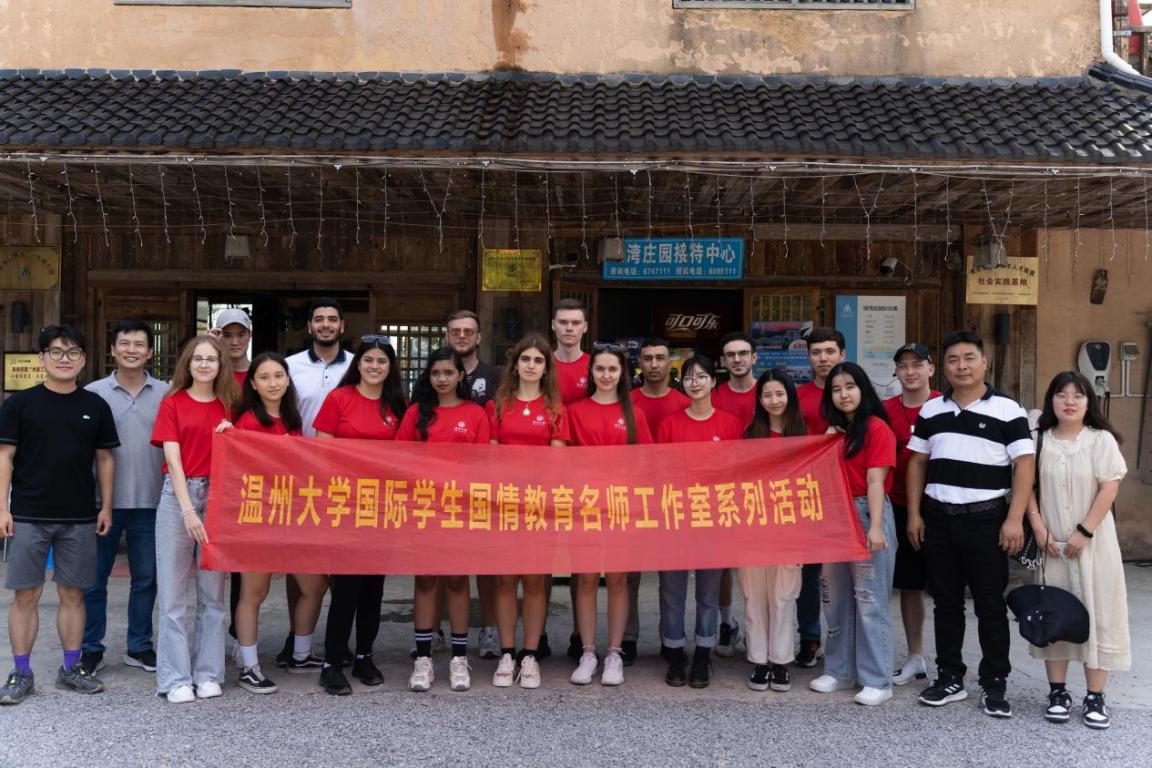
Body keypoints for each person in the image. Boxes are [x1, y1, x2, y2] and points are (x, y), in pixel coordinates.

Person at [906, 330, 1035, 718]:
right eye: (953, 360)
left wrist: (1014, 519)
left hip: (987, 520)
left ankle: (994, 683)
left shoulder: (1008, 410)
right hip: (939, 520)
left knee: (990, 605)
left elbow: (1024, 465)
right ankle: (949, 677)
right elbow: (917, 462)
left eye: (968, 358)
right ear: (943, 368)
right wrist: (914, 514)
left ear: (984, 363)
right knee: (945, 603)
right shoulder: (931, 410)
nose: (961, 366)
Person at [0, 326, 118, 706]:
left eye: (72, 352)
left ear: (83, 360)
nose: (64, 359)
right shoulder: (20, 404)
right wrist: (2, 507)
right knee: (26, 594)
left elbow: (105, 458)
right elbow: (5, 457)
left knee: (73, 592)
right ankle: (21, 672)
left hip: (79, 516)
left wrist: (106, 506)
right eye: (56, 351)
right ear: (42, 359)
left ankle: (71, 668)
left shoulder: (95, 405)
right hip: (28, 514)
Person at [1027, 371, 1129, 730]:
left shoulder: (1101, 440)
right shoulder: (1038, 439)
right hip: (1052, 545)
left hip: (1095, 545)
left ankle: (1095, 696)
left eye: (1078, 395)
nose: (1069, 401)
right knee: (1053, 613)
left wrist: (1085, 531)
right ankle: (1057, 693)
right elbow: (1026, 487)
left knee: (1099, 615)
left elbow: (1109, 487)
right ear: (1051, 400)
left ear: (1089, 402)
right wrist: (1038, 528)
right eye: (1061, 394)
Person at [228, 353, 329, 694]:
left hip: (293, 516)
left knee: (315, 585)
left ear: (288, 380)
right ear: (253, 385)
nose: (273, 383)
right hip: (258, 518)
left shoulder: (291, 417)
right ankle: (249, 666)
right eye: (265, 377)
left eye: (278, 376)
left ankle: (300, 654)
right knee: (254, 593)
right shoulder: (246, 422)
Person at [313, 335, 407, 696]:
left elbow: (408, 456)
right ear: (358, 364)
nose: (374, 367)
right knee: (346, 587)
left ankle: (365, 655)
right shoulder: (340, 398)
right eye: (368, 360)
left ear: (390, 367)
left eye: (382, 361)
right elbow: (321, 450)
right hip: (346, 505)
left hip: (384, 508)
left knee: (373, 588)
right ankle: (332, 662)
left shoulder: (397, 404)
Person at [397, 347, 490, 692]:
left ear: (460, 376)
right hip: (424, 508)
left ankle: (459, 659)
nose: (442, 379)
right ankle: (423, 659)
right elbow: (398, 459)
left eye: (448, 372)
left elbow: (485, 463)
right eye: (435, 373)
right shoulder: (416, 413)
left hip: (460, 509)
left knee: (456, 580)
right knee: (425, 580)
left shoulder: (476, 413)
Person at [150, 334, 236, 704]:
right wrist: (187, 511)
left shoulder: (229, 405)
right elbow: (173, 460)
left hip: (218, 498)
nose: (204, 364)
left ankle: (208, 673)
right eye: (197, 358)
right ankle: (175, 678)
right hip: (178, 496)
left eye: (210, 359)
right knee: (173, 595)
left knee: (213, 594)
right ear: (188, 363)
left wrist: (232, 435)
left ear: (220, 365)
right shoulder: (172, 403)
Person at [808, 362, 897, 706]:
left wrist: (874, 526)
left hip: (865, 513)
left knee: (869, 600)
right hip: (834, 516)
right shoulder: (834, 432)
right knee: (835, 599)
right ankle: (839, 670)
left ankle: (877, 679)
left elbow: (876, 480)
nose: (843, 394)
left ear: (863, 389)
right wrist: (827, 442)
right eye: (836, 389)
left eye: (850, 386)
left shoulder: (877, 428)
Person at [79, 321, 164, 678]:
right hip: (102, 503)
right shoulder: (92, 393)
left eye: (139, 344)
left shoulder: (167, 393)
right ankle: (90, 648)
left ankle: (139, 646)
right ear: (112, 350)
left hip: (153, 501)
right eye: (124, 343)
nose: (132, 349)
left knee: (146, 579)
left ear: (150, 352)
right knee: (93, 580)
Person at [567, 343, 653, 687]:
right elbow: (563, 461)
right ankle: (588, 652)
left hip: (621, 507)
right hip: (585, 507)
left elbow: (646, 462)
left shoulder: (635, 413)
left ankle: (614, 653)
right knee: (586, 580)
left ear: (622, 373)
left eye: (612, 369)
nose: (605, 375)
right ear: (591, 373)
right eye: (600, 369)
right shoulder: (575, 411)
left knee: (618, 581)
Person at [487, 333, 569, 689]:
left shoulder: (555, 409)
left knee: (535, 582)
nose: (531, 366)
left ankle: (530, 654)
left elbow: (557, 462)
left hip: (539, 507)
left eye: (538, 360)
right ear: (515, 365)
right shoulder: (498, 406)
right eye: (526, 359)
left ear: (546, 368)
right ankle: (507, 653)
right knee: (505, 580)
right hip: (504, 505)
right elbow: (490, 458)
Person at [655, 355, 742, 689]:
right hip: (676, 515)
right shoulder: (669, 424)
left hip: (714, 518)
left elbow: (737, 471)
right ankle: (675, 651)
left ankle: (704, 651)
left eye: (701, 376)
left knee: (708, 590)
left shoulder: (730, 424)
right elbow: (659, 472)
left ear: (713, 382)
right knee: (672, 589)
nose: (695, 383)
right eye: (689, 378)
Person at [281, 298, 352, 669]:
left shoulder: (358, 365)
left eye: (332, 319)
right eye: (319, 319)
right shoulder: (289, 367)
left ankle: (337, 639)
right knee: (300, 562)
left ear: (342, 326)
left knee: (341, 563)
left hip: (346, 480)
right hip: (299, 477)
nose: (326, 325)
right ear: (309, 326)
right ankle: (297, 638)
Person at [739, 369, 806, 693]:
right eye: (767, 395)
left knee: (783, 597)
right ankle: (759, 661)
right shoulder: (750, 435)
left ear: (790, 396)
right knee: (754, 597)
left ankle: (780, 662)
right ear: (759, 400)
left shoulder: (805, 435)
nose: (774, 400)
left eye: (780, 394)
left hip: (790, 530)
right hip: (753, 528)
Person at [625, 337, 689, 664]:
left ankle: (670, 638)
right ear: (640, 363)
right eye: (647, 358)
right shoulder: (627, 401)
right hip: (632, 497)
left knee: (671, 575)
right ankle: (628, 637)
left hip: (671, 498)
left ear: (669, 363)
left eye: (660, 358)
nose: (653, 364)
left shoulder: (684, 402)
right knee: (629, 574)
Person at [445, 309, 502, 659]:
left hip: (484, 487)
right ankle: (436, 631)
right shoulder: (435, 371)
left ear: (479, 337)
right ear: (447, 335)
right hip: (440, 488)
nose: (462, 336)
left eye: (468, 331)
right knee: (442, 563)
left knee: (486, 564)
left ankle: (490, 629)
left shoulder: (495, 376)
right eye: (456, 331)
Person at [883, 343, 940, 686]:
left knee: (947, 587)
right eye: (903, 366)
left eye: (917, 364)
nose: (910, 371)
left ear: (931, 369)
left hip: (944, 506)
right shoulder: (885, 409)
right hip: (900, 505)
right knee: (909, 585)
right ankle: (915, 657)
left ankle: (949, 662)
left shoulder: (946, 405)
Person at [793, 326, 846, 668]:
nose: (823, 358)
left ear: (842, 354)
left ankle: (844, 641)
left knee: (845, 574)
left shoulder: (854, 393)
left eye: (829, 351)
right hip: (807, 494)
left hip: (846, 492)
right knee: (809, 576)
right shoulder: (798, 396)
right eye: (816, 352)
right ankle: (810, 638)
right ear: (808, 357)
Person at [711, 331, 759, 658]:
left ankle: (758, 628)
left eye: (743, 353)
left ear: (754, 357)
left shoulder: (770, 391)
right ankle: (727, 624)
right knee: (722, 563)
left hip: (760, 488)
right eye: (731, 355)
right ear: (723, 361)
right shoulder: (714, 396)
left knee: (756, 564)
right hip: (723, 489)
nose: (737, 359)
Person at [551, 298, 591, 407]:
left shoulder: (595, 366)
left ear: (585, 327)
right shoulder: (541, 364)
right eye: (563, 322)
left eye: (576, 323)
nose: (569, 328)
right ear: (553, 325)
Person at [212, 307, 253, 387]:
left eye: (241, 335)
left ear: (250, 335)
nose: (235, 342)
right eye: (227, 335)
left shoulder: (260, 372)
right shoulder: (209, 374)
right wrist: (209, 344)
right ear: (217, 336)